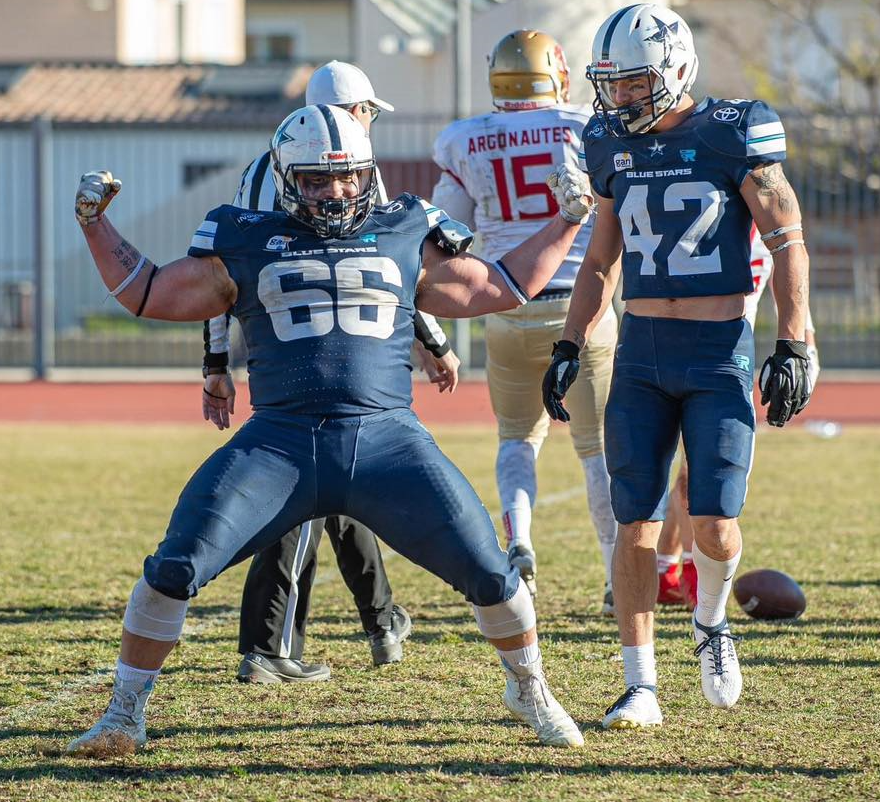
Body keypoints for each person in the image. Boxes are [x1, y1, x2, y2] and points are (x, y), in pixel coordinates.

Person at [67, 102, 596, 755]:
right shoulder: (246, 235)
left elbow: (502, 285)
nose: (335, 191)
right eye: (316, 179)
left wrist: (569, 217)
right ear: (287, 177)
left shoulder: (405, 226)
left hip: (386, 442)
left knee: (491, 573)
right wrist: (95, 224)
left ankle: (530, 688)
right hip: (279, 444)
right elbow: (148, 292)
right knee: (172, 567)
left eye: (347, 177)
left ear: (366, 173)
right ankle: (123, 714)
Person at [542, 3, 813, 726]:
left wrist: (795, 341)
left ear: (675, 69)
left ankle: (711, 622)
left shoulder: (732, 130)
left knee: (715, 525)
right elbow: (600, 259)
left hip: (715, 353)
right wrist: (569, 342)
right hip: (638, 355)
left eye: (633, 83)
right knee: (634, 520)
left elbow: (787, 239)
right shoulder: (604, 141)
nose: (619, 98)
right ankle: (640, 685)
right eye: (611, 84)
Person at [200, 61, 460, 684]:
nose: (367, 123)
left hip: (298, 347)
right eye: (367, 110)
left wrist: (215, 361)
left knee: (343, 489)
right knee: (305, 499)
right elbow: (390, 273)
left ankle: (381, 619)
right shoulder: (334, 174)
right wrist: (433, 336)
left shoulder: (269, 167)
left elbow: (219, 286)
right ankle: (268, 646)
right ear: (353, 111)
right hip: (321, 352)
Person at [430, 29, 617, 611]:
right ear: (556, 72)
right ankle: (618, 575)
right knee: (597, 448)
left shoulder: (467, 139)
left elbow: (445, 233)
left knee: (517, 438)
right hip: (580, 304)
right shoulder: (590, 128)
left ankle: (522, 542)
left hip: (507, 303)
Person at [656, 229, 819, 608]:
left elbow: (794, 286)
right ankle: (692, 572)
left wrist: (807, 351)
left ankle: (665, 569)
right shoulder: (705, 218)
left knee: (699, 472)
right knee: (694, 475)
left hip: (733, 363)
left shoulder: (773, 231)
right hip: (682, 354)